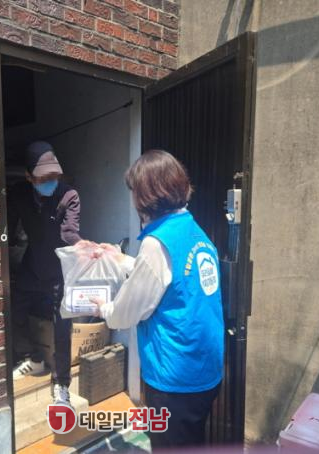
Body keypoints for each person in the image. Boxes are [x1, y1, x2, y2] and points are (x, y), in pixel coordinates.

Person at [91, 150, 225, 448]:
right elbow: (166, 279)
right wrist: (119, 258)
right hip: (205, 368)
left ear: (145, 195)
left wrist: (104, 309)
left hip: (174, 377)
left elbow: (127, 312)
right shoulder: (194, 231)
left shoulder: (155, 243)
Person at [7, 141, 81, 407]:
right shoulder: (19, 194)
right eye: (43, 177)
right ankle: (33, 357)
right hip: (32, 264)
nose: (50, 181)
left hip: (59, 268)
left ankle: (61, 384)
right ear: (29, 176)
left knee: (62, 325)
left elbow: (69, 233)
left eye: (54, 176)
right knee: (14, 308)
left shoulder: (68, 195)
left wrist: (85, 248)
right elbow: (8, 229)